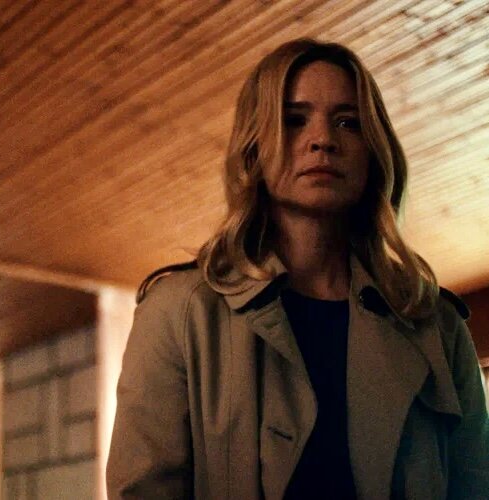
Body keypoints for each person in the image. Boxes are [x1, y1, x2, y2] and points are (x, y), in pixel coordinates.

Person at [107, 38, 489, 499]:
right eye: (294, 119)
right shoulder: (178, 312)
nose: (323, 140)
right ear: (254, 146)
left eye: (348, 122)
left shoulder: (436, 327)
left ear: (373, 150)